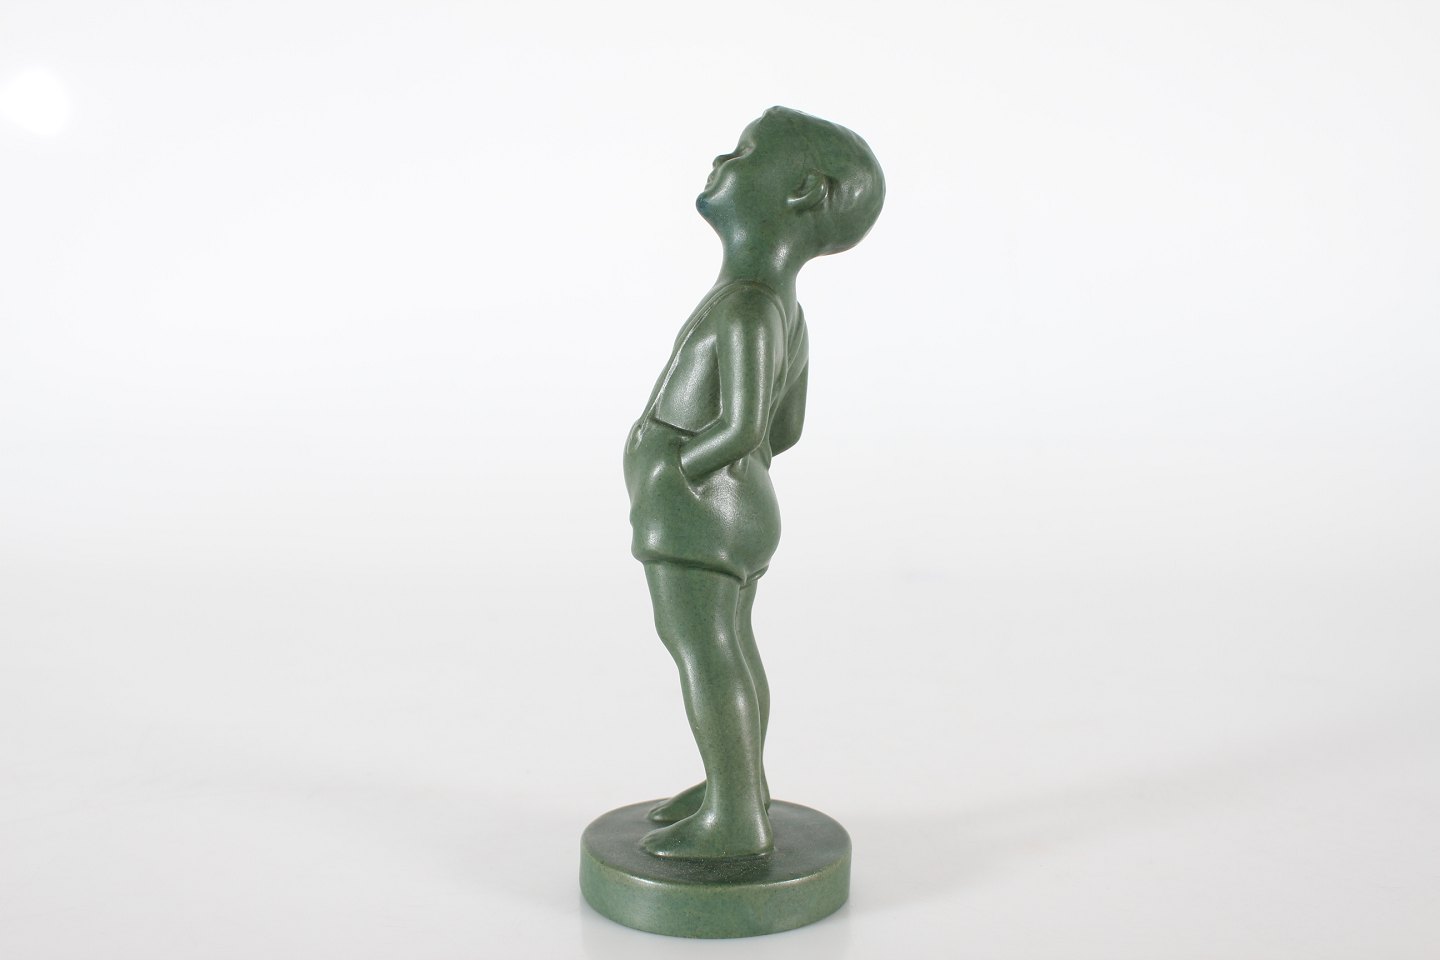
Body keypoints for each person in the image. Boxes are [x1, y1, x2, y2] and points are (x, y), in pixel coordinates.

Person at [624, 106, 884, 859]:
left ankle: (734, 814)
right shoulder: (782, 309)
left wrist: (675, 470)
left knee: (702, 649)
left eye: (743, 152)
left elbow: (741, 428)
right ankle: (739, 786)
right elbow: (785, 427)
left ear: (800, 191)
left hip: (698, 508)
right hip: (739, 508)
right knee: (729, 643)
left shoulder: (744, 305)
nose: (723, 160)